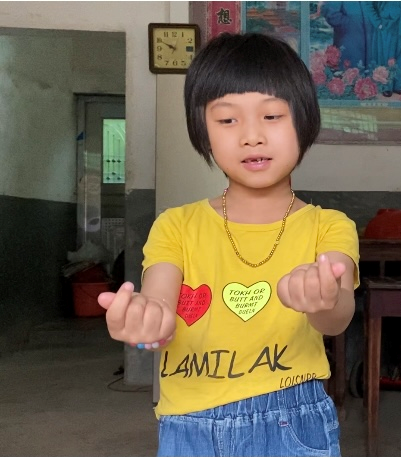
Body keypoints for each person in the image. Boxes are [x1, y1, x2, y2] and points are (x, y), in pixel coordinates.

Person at [97, 33, 359, 457]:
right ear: (203, 131)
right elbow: (159, 302)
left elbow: (338, 317)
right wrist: (144, 319)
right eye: (227, 120)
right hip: (188, 425)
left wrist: (322, 299)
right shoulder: (176, 226)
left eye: (271, 116)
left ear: (305, 121)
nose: (251, 136)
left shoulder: (328, 227)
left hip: (292, 419)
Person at [363, 1, 401, 97]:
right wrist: (378, 23)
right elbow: (368, 4)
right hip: (386, 24)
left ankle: (398, 86)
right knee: (386, 55)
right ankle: (386, 87)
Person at [319, 1, 374, 70]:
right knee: (348, 70)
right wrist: (349, 23)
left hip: (370, 44)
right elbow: (331, 14)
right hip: (348, 41)